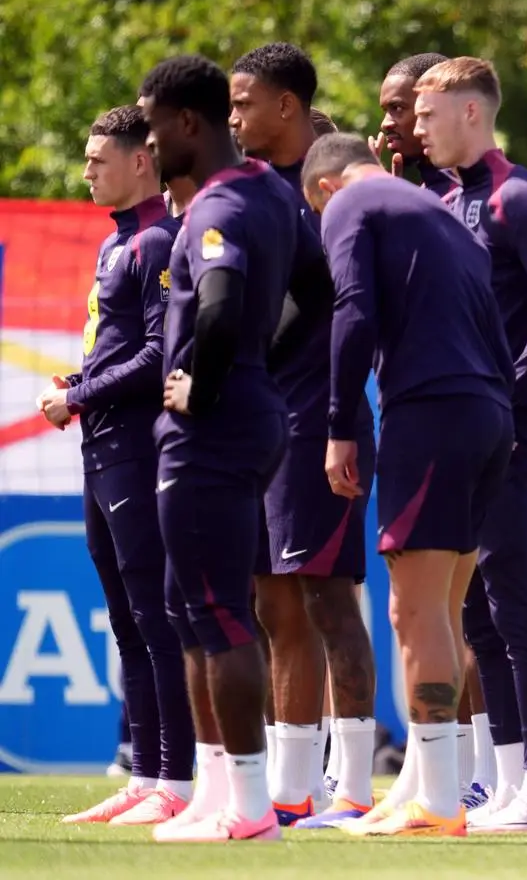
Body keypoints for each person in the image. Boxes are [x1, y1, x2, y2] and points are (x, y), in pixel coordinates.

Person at [300, 132, 515, 838]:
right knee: (445, 611)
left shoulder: (350, 203)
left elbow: (353, 311)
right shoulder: (439, 212)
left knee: (414, 612)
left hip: (431, 413)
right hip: (489, 414)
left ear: (326, 187)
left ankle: (440, 805)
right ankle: (428, 787)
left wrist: (339, 423)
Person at [137, 53, 311, 842]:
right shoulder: (273, 193)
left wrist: (207, 384)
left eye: (151, 128)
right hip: (251, 414)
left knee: (216, 611)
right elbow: (318, 292)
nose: (146, 145)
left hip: (212, 429)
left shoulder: (214, 210)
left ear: (186, 125)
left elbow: (216, 303)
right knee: (191, 608)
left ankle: (247, 808)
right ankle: (217, 792)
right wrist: (259, 367)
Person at [414, 57, 527, 832]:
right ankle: (512, 786)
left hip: (510, 433)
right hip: (460, 434)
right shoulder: (444, 198)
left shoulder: (519, 196)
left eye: (429, 113)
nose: (418, 128)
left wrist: (504, 392)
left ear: (472, 114)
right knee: (477, 613)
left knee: (517, 606)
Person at [228, 41, 378, 829]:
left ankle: (351, 787)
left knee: (327, 600)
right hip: (256, 425)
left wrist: (340, 423)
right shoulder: (244, 192)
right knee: (268, 602)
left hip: (319, 424)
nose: (233, 117)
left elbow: (345, 313)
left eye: (244, 101)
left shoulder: (333, 201)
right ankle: (291, 786)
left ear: (286, 105)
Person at [49, 105, 194, 826]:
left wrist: (77, 393)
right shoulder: (118, 245)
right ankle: (144, 772)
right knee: (126, 622)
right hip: (99, 448)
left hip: (139, 450)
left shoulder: (159, 243)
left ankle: (179, 778)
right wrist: (80, 396)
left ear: (143, 161)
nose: (86, 171)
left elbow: (154, 356)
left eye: (98, 158)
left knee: (157, 618)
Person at [376, 49, 495, 806]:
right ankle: (434, 778)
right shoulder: (407, 196)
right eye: (392, 110)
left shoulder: (485, 198)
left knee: (466, 606)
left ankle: (482, 777)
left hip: (465, 416)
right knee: (434, 608)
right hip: (428, 411)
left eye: (408, 109)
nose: (396, 123)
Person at [372, 53, 457, 198]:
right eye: (386, 110)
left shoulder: (480, 194)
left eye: (397, 108)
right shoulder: (425, 192)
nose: (385, 124)